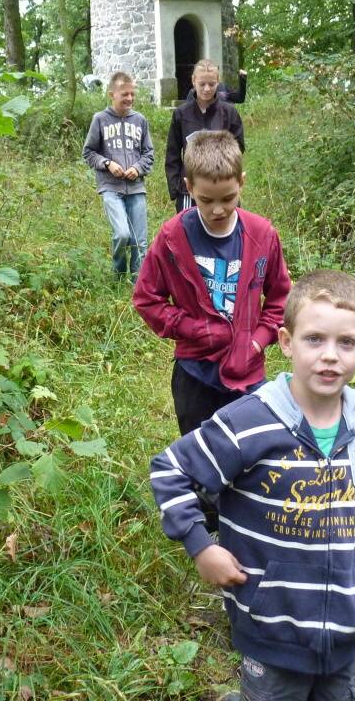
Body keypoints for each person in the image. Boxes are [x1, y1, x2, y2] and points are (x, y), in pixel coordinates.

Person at [150, 269, 355, 701]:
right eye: (314, 339)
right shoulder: (250, 421)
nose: (329, 356)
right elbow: (170, 470)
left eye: (345, 343)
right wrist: (201, 546)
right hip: (270, 636)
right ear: (286, 342)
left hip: (347, 637)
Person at [134, 130, 290, 437]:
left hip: (247, 373)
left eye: (228, 198)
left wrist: (257, 341)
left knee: (250, 450)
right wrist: (194, 329)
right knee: (199, 452)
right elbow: (147, 298)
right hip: (194, 373)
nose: (218, 210)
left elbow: (281, 300)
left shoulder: (262, 235)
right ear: (189, 186)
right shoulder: (172, 238)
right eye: (205, 200)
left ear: (241, 182)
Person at [82, 72, 154, 281]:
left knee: (140, 241)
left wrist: (138, 168)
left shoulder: (140, 120)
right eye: (125, 94)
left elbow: (148, 153)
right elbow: (89, 152)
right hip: (110, 188)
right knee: (122, 234)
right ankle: (119, 276)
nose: (130, 98)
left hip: (136, 188)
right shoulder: (100, 119)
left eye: (132, 94)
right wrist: (107, 164)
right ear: (111, 94)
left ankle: (138, 283)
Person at [165, 60, 245, 213]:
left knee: (224, 224)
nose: (207, 89)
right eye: (202, 84)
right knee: (189, 226)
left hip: (222, 184)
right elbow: (172, 153)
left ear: (218, 82)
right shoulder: (181, 114)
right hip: (189, 189)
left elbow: (238, 148)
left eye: (211, 84)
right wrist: (176, 187)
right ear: (193, 81)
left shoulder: (229, 113)